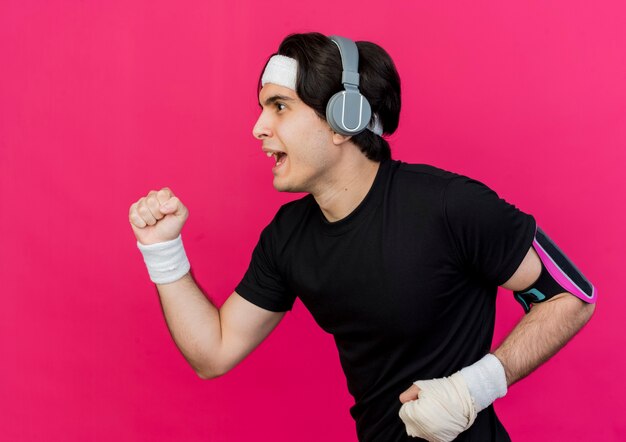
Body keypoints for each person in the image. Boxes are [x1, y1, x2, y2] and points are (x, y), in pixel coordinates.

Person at [128, 33, 596, 441]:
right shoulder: (288, 237)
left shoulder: (448, 205)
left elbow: (571, 294)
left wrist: (473, 387)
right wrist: (163, 251)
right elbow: (214, 352)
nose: (258, 128)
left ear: (342, 120)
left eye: (279, 107)